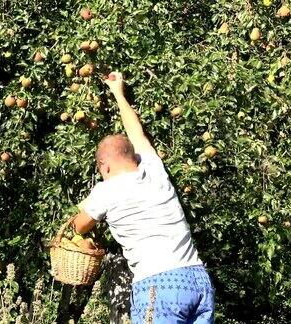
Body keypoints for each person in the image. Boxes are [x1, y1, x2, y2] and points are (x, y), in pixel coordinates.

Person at [72, 72, 215, 323]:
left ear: (104, 166)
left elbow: (80, 225)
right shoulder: (153, 167)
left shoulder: (106, 191)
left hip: (159, 284)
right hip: (197, 278)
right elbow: (136, 132)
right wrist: (118, 92)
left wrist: (84, 208)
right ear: (133, 156)